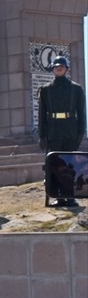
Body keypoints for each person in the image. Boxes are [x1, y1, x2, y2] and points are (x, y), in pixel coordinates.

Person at [37, 55, 86, 206]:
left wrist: (81, 132)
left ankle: (70, 197)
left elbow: (81, 112)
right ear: (52, 69)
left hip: (70, 130)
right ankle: (59, 196)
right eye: (56, 66)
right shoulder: (45, 90)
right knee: (56, 164)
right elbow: (42, 114)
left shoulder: (76, 89)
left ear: (66, 69)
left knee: (70, 164)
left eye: (62, 66)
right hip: (54, 131)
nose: (59, 68)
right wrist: (41, 135)